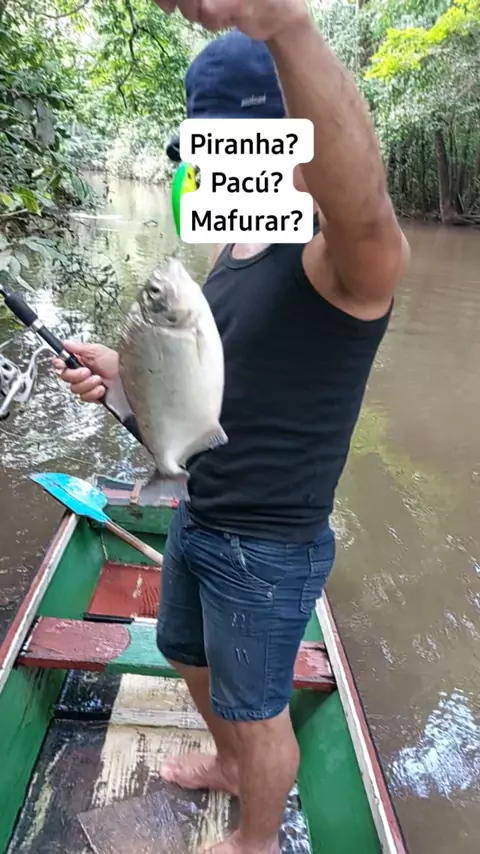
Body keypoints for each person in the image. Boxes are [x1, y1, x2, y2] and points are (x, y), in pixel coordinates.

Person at [55, 3, 410, 853]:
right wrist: (122, 379)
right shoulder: (229, 255)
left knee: (257, 711)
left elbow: (363, 205)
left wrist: (286, 28)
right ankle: (227, 762)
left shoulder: (341, 261)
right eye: (202, 152)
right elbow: (210, 395)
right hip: (199, 510)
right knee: (184, 650)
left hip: (268, 549)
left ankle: (256, 837)